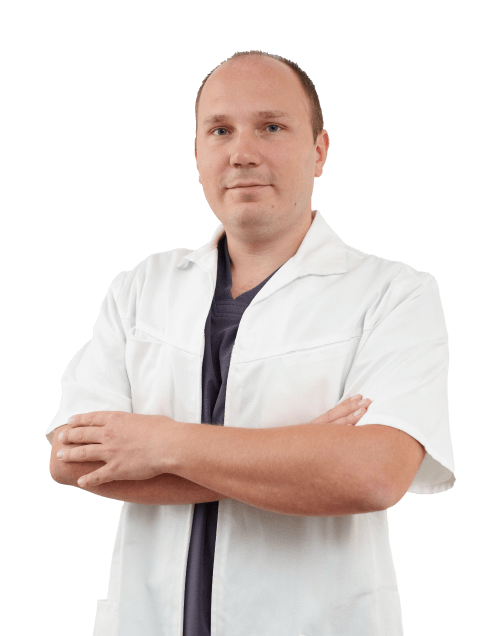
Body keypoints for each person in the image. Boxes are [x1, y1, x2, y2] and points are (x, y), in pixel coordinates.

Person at [46, 51, 454, 636]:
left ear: (320, 151)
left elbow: (373, 475)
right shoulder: (141, 288)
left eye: (271, 126)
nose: (242, 153)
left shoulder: (394, 294)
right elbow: (74, 459)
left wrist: (158, 442)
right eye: (220, 130)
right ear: (197, 152)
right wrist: (305, 454)